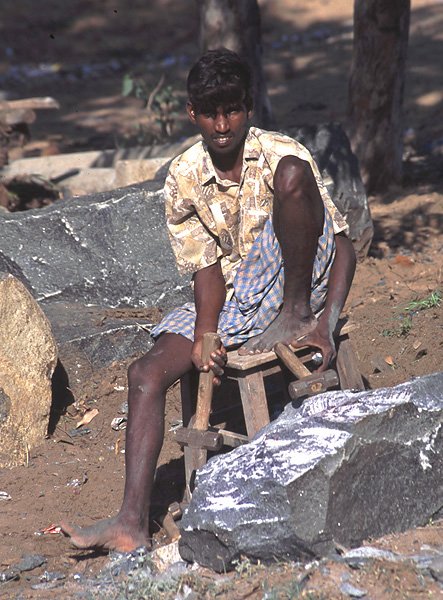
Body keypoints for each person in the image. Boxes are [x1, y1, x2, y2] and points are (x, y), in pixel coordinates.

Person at [61, 48, 356, 553]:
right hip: (240, 294)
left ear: (250, 106)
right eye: (211, 112)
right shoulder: (183, 175)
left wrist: (324, 322)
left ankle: (294, 314)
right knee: (144, 374)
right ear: (192, 113)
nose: (223, 124)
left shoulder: (282, 150)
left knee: (290, 176)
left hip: (297, 276)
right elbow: (206, 268)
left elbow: (344, 243)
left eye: (234, 110)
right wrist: (206, 334)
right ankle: (131, 521)